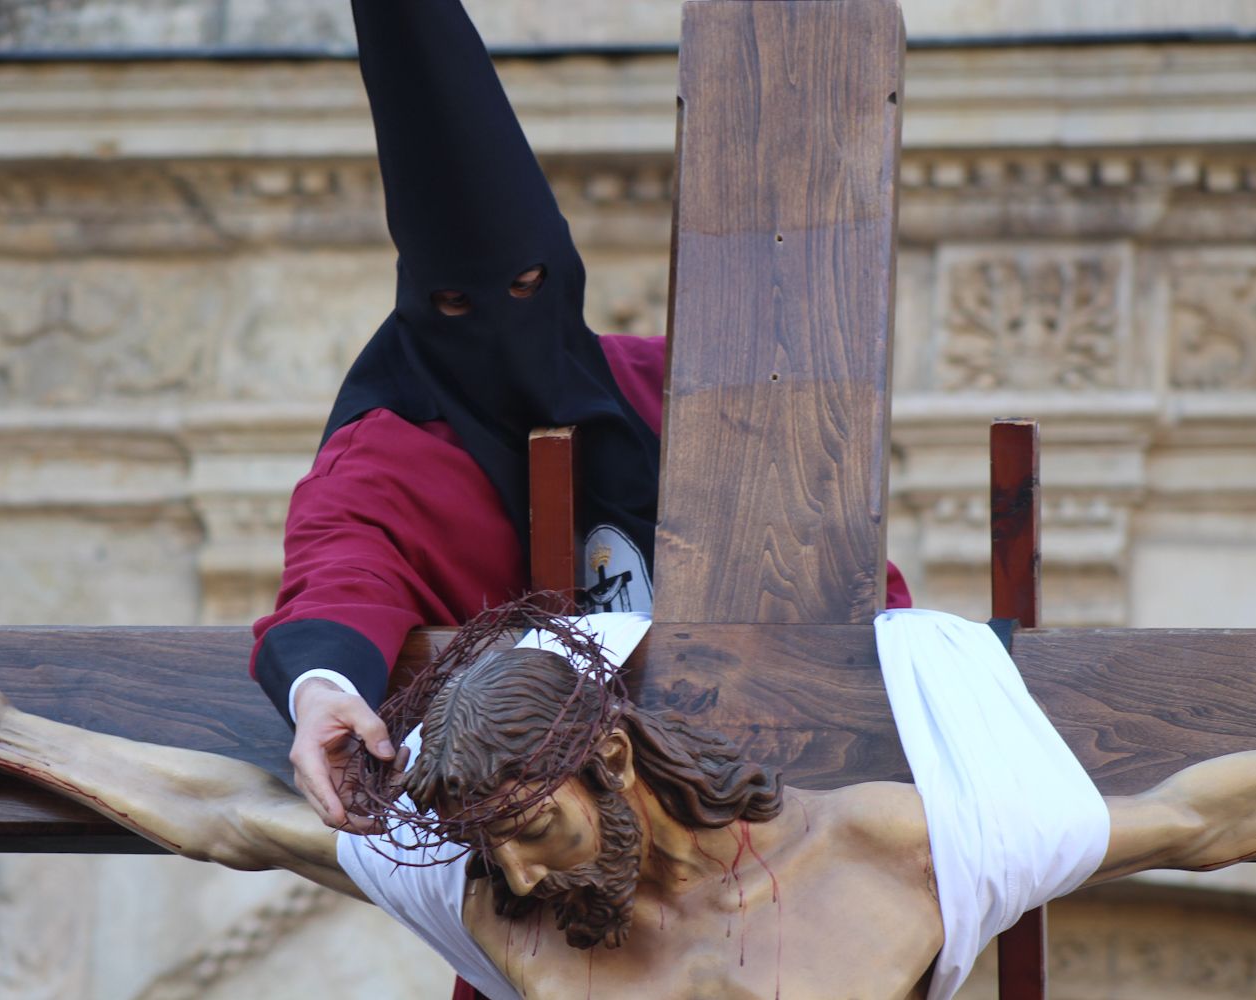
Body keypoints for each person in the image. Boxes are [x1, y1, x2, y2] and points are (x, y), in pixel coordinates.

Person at [0, 608, 1256, 1000]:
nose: (523, 888)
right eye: (496, 853)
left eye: (534, 833)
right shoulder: (501, 912)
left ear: (609, 765)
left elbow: (1195, 822)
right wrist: (15, 741)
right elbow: (240, 819)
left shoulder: (885, 852)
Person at [250, 0, 913, 836]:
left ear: (563, 274)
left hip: (775, 822)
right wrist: (325, 691)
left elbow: (834, 559)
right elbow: (337, 578)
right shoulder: (388, 456)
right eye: (458, 304)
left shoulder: (683, 387)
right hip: (550, 867)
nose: (504, 324)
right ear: (420, 307)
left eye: (529, 287)